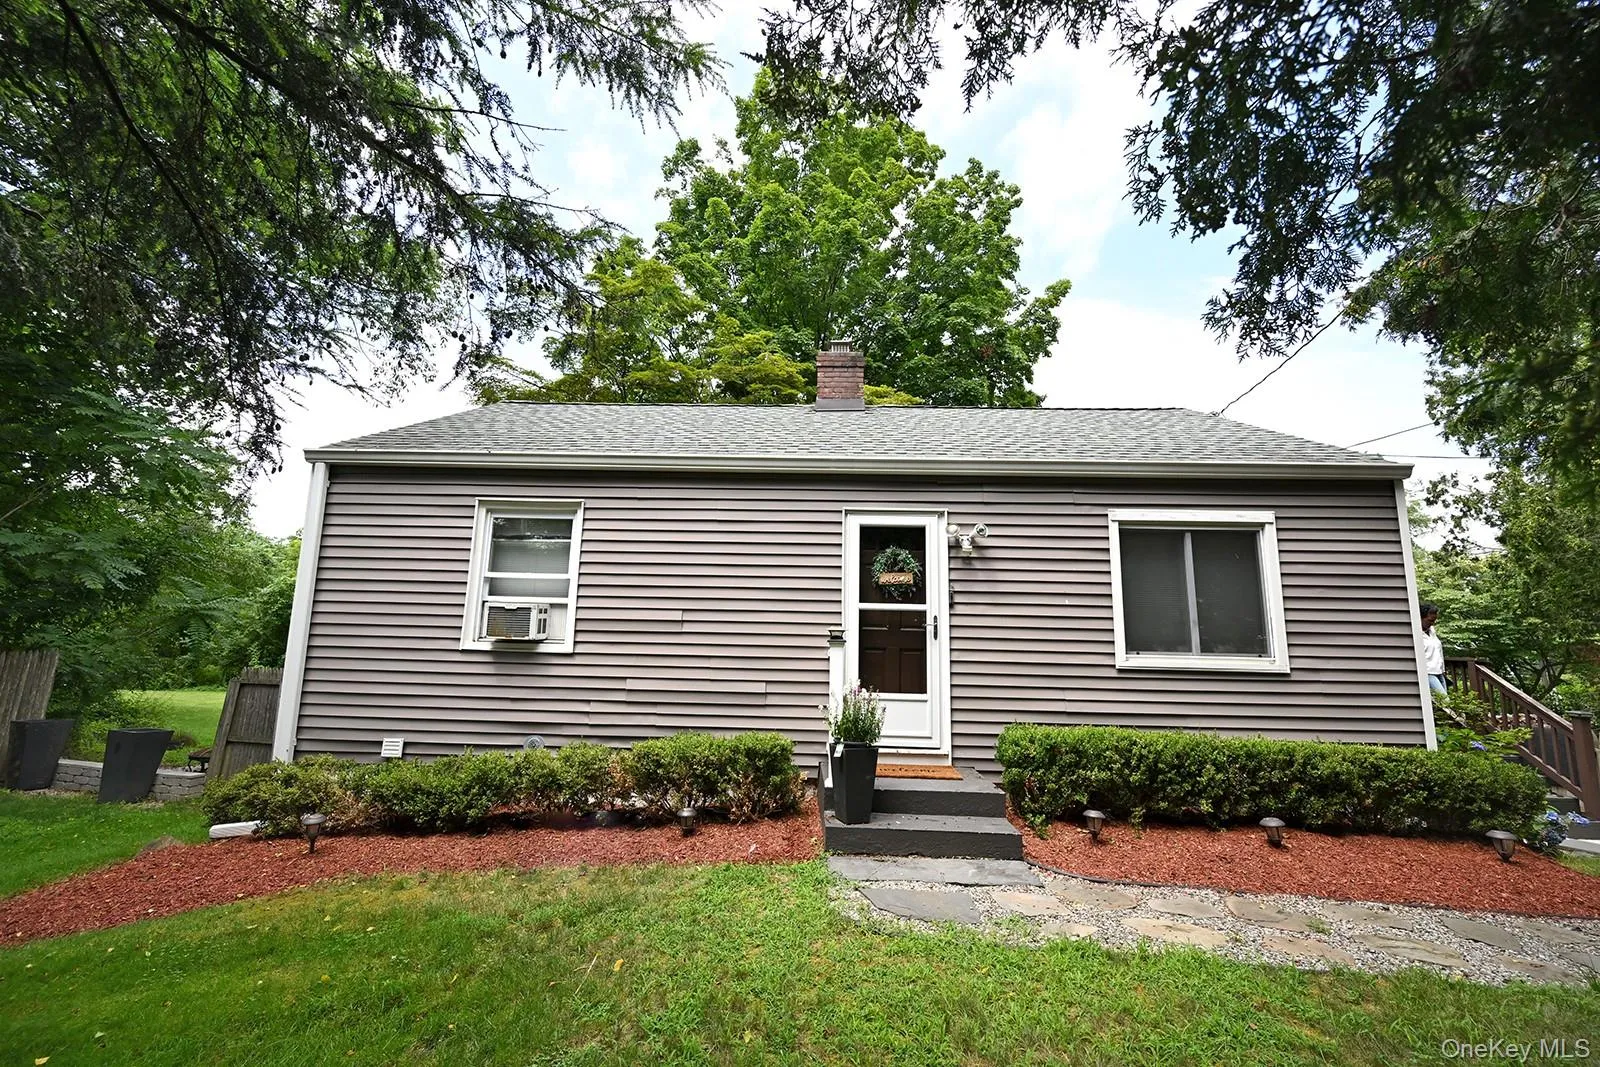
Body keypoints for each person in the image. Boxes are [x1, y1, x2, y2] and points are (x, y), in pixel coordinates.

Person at [1420, 602, 1446, 695]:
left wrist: (1443, 671)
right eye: (1430, 620)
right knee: (1444, 700)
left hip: (1439, 672)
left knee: (1444, 703)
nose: (1432, 623)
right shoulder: (1418, 635)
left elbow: (1438, 652)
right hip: (1428, 672)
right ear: (1421, 618)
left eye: (1434, 620)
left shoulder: (1432, 631)